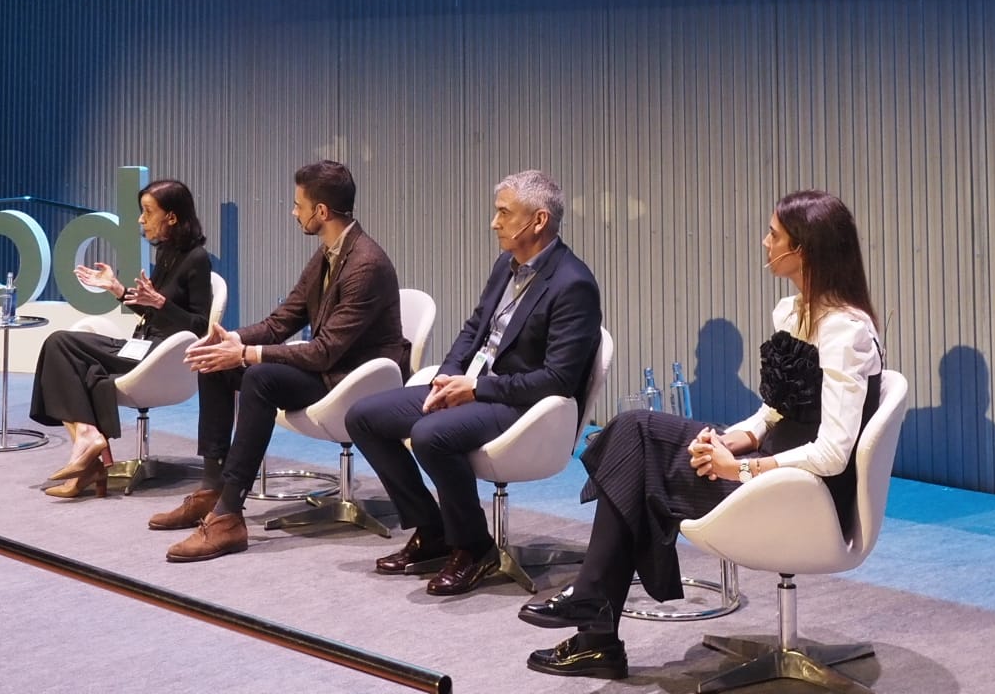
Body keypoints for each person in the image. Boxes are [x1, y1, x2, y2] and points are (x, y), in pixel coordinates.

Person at [523, 190, 884, 680]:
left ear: (802, 250)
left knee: (637, 468)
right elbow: (778, 410)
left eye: (773, 235)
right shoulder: (791, 311)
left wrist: (742, 468)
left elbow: (834, 452)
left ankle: (596, 627)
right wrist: (736, 438)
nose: (764, 241)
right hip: (769, 466)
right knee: (632, 431)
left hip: (805, 493)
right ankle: (594, 618)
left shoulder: (848, 332)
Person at [348, 170, 601, 596]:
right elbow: (474, 329)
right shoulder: (508, 262)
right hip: (474, 387)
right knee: (364, 417)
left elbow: (557, 379)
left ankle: (473, 547)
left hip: (522, 405)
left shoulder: (573, 284)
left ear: (537, 221)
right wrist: (448, 374)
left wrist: (476, 390)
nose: (494, 222)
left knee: (430, 435)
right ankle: (432, 531)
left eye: (504, 213)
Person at [153, 159, 408, 562]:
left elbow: (325, 351)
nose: (294, 212)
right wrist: (232, 340)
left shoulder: (365, 264)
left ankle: (228, 518)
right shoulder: (328, 254)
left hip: (354, 379)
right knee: (215, 361)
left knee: (260, 378)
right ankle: (213, 488)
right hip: (329, 369)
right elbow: (283, 320)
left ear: (320, 212)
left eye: (298, 204)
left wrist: (248, 354)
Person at [30, 177, 216, 498]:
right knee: (85, 371)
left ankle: (88, 445)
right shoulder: (167, 253)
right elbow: (153, 312)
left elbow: (200, 327)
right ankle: (88, 458)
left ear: (171, 217)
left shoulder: (197, 259)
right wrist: (119, 290)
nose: (141, 220)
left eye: (147, 212)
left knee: (60, 343)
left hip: (160, 357)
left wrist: (161, 302)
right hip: (142, 347)